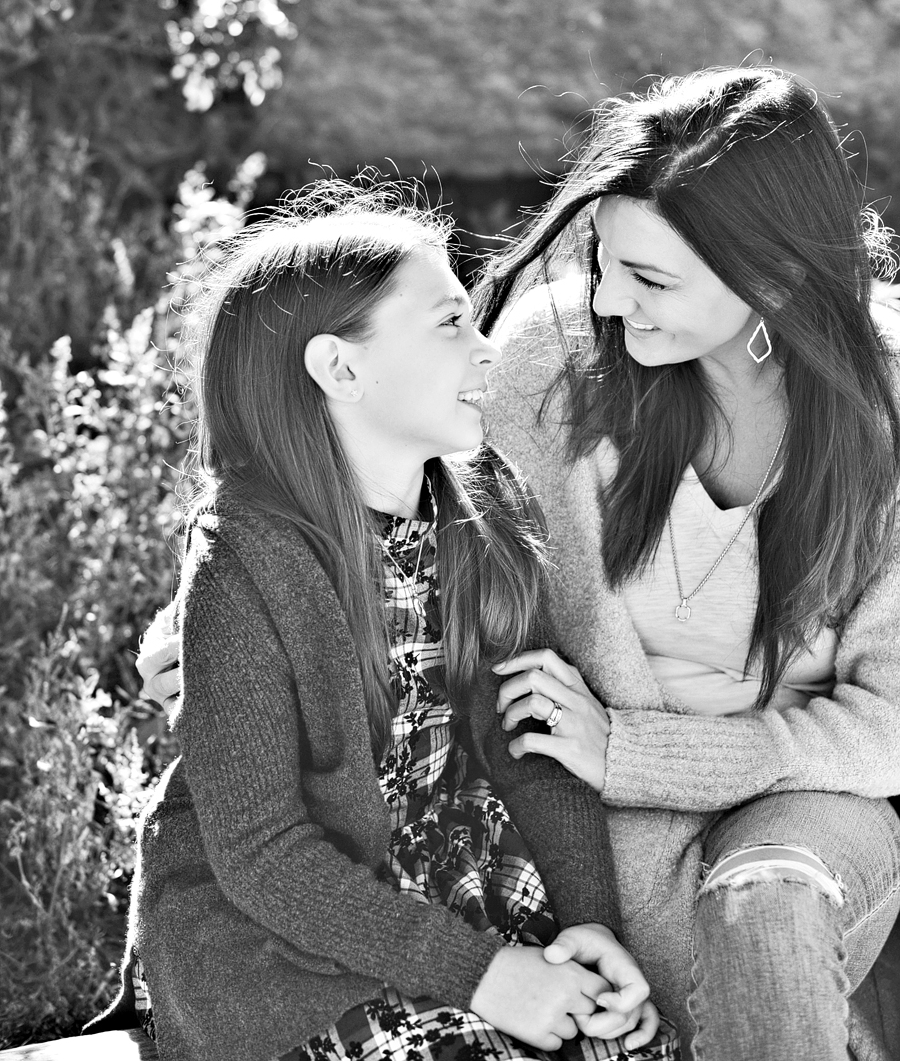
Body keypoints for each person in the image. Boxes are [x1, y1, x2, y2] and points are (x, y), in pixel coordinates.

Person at [91, 185, 677, 1061]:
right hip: (292, 935)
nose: (485, 351)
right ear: (340, 369)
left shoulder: (486, 514)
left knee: (625, 1048)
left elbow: (536, 753)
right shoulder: (245, 558)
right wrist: (486, 976)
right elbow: (264, 854)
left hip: (467, 890)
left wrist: (590, 930)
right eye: (449, 324)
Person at [470, 66, 900, 1060]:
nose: (611, 301)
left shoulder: (883, 407)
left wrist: (637, 749)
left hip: (808, 811)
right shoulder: (555, 361)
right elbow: (410, 499)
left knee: (764, 903)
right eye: (604, 261)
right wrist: (229, 616)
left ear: (776, 279)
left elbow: (887, 721)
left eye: (653, 279)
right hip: (595, 832)